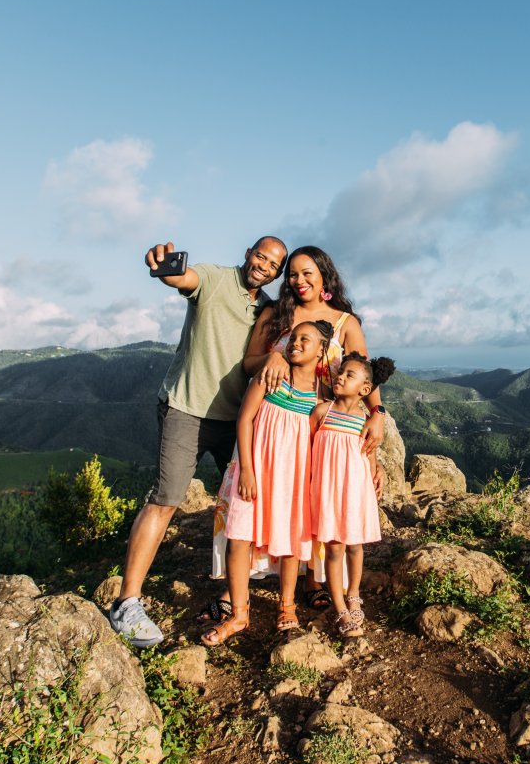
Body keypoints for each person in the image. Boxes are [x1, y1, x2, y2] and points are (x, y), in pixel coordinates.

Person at [108, 236, 287, 647]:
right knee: (166, 498)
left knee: (245, 504)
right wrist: (165, 268)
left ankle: (232, 591)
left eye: (274, 265)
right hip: (186, 409)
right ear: (248, 253)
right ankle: (127, 602)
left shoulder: (270, 311)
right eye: (261, 256)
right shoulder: (214, 278)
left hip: (237, 418)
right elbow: (182, 278)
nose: (264, 266)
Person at [204, 246, 387, 613]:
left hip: (320, 425)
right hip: (273, 418)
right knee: (254, 505)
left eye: (308, 273)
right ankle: (238, 586)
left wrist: (377, 412)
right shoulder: (277, 313)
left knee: (305, 503)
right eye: (292, 274)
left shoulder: (345, 323)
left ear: (324, 276)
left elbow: (361, 371)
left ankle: (312, 578)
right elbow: (249, 362)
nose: (299, 280)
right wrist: (273, 354)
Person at [201, 320, 332, 645]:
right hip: (256, 472)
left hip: (294, 479)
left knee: (291, 542)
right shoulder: (271, 376)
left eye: (306, 339)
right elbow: (245, 419)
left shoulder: (320, 394)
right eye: (293, 337)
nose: (296, 342)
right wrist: (246, 469)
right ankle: (239, 613)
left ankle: (286, 605)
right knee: (240, 537)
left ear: (321, 351)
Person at [310, 352, 396, 637]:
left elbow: (369, 456)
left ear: (365, 390)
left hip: (354, 492)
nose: (341, 377)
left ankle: (354, 593)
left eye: (350, 375)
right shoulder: (322, 412)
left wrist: (375, 476)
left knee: (355, 546)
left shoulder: (365, 420)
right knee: (334, 549)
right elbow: (307, 448)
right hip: (327, 491)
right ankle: (339, 607)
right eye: (341, 372)